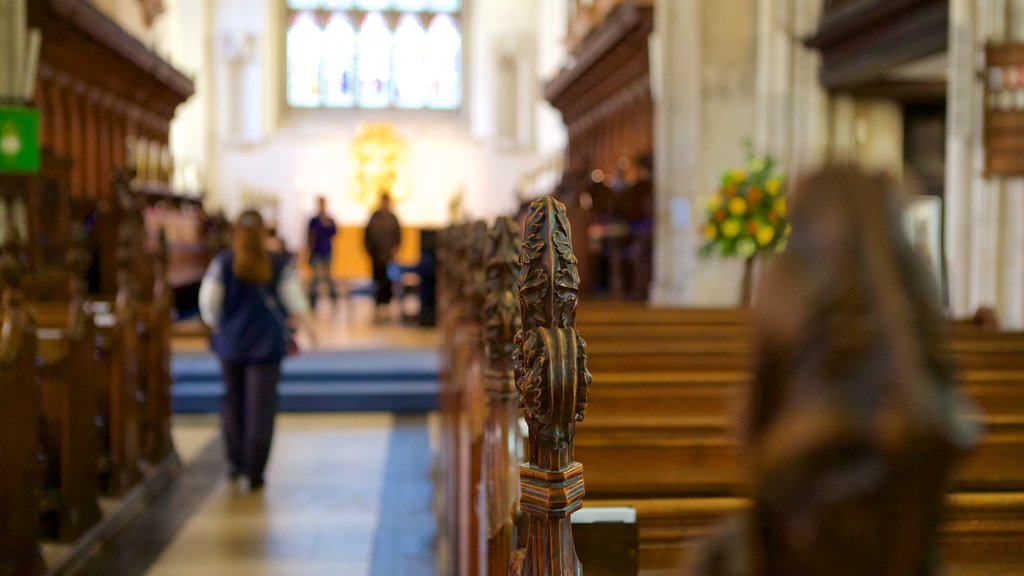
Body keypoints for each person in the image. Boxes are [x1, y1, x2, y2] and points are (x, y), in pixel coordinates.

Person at [199, 210, 317, 491]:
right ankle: (255, 471)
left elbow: (208, 303)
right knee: (261, 409)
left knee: (233, 402)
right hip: (266, 345)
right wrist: (312, 328)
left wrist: (220, 325)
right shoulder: (276, 263)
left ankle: (234, 462)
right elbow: (295, 301)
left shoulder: (224, 261)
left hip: (232, 344)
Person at [364, 192, 402, 319]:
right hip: (376, 255)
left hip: (388, 256)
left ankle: (386, 303)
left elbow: (398, 236)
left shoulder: (393, 218)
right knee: (377, 280)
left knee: (387, 281)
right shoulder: (374, 216)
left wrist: (395, 249)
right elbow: (367, 235)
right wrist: (370, 250)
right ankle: (378, 303)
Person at [307, 195, 338, 308]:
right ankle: (313, 300)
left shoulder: (329, 219)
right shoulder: (314, 220)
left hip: (327, 250)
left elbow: (334, 232)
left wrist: (327, 225)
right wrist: (309, 250)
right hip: (316, 251)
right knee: (314, 277)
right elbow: (310, 235)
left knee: (328, 276)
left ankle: (333, 297)